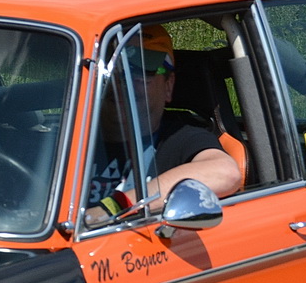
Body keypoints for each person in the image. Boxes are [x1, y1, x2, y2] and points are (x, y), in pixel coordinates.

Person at [83, 25, 243, 224]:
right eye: (113, 70)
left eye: (142, 71)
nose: (123, 82)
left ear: (169, 85)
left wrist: (114, 208)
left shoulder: (181, 138)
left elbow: (225, 173)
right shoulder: (68, 137)